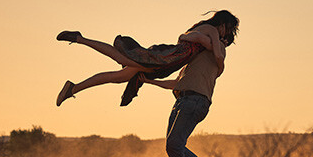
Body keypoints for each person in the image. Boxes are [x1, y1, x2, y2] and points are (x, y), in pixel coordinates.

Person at [143, 10, 239, 157]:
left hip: (195, 101)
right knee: (174, 147)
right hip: (182, 100)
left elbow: (194, 37)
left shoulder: (218, 47)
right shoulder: (195, 59)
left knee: (174, 145)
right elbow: (177, 83)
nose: (224, 33)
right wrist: (148, 81)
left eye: (225, 29)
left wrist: (208, 32)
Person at [55, 12, 230, 107]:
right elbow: (217, 54)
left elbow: (189, 37)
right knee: (121, 59)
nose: (225, 35)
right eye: (227, 31)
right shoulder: (212, 30)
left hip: (168, 61)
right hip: (165, 57)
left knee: (119, 76)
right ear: (222, 25)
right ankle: (80, 39)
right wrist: (220, 67)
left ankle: (74, 88)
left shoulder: (202, 30)